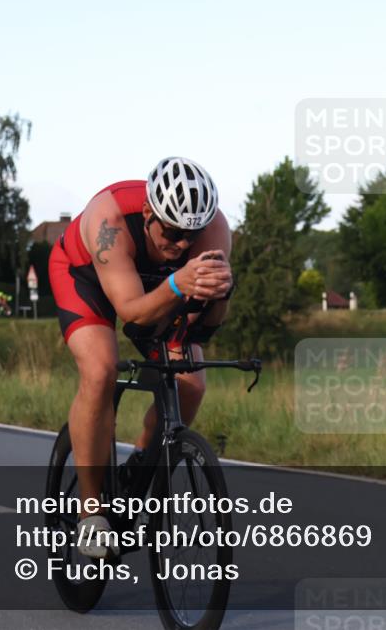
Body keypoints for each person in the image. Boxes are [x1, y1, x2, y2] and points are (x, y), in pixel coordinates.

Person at [48, 157, 233, 557]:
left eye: (191, 235)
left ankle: (141, 463)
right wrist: (176, 283)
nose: (182, 244)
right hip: (84, 273)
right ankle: (91, 512)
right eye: (171, 232)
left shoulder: (214, 231)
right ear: (149, 213)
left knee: (191, 382)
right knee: (101, 371)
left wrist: (219, 297)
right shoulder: (108, 218)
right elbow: (131, 311)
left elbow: (201, 329)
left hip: (157, 283)